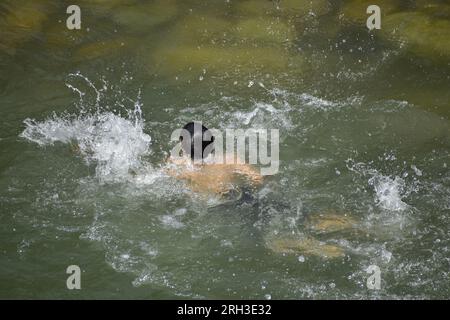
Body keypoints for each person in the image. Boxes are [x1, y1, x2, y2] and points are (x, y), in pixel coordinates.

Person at [166, 122, 263, 199]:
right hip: (235, 197)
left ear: (182, 147)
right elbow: (258, 179)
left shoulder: (178, 166)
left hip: (208, 206)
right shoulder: (230, 159)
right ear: (212, 142)